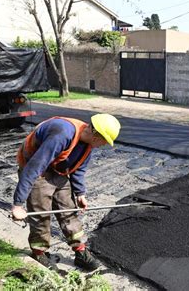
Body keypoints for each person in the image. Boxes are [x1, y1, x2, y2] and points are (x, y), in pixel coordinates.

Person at [11, 113, 121, 270]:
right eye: (104, 141)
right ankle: (38, 252)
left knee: (68, 210)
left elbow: (78, 168)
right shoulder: (62, 133)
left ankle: (80, 251)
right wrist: (18, 204)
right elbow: (35, 167)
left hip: (56, 170)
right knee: (41, 213)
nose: (104, 145)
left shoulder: (87, 144)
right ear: (96, 135)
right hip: (36, 167)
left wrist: (80, 193)